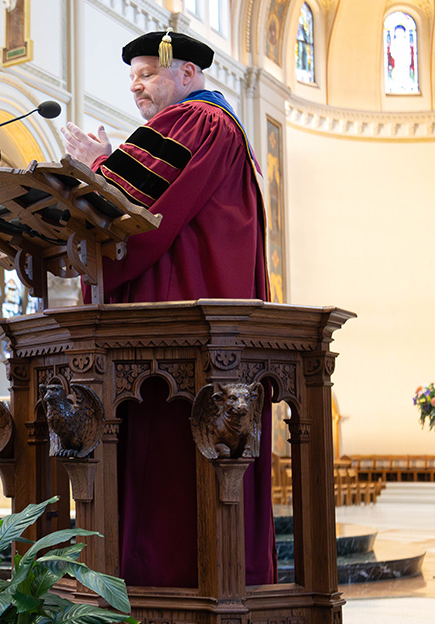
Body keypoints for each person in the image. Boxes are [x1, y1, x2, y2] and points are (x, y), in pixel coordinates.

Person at [61, 28, 273, 588]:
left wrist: (97, 169)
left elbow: (146, 209)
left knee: (172, 474)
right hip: (186, 327)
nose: (137, 87)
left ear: (188, 74)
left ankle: (164, 595)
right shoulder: (209, 128)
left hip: (177, 331)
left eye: (147, 74)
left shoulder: (198, 122)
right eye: (132, 78)